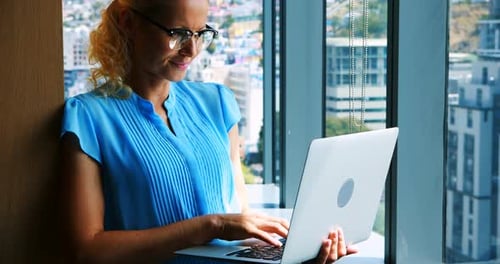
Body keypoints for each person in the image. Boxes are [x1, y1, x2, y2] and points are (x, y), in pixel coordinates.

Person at [60, 0, 357, 263]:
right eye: (177, 33)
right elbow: (87, 250)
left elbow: (239, 223)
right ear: (128, 23)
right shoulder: (88, 117)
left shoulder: (217, 102)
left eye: (201, 33)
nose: (192, 49)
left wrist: (300, 254)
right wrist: (210, 226)